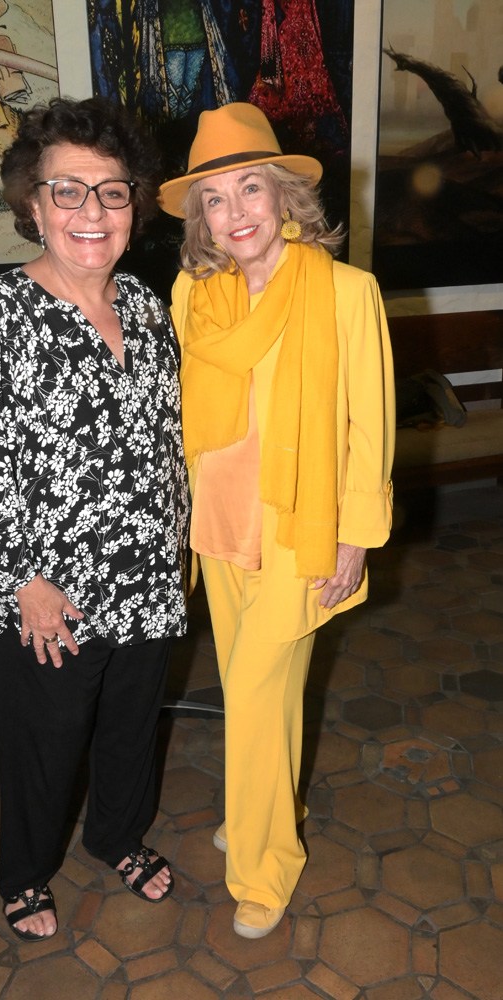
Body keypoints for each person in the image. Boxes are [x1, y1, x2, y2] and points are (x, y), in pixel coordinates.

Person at [0, 96, 190, 941]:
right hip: (55, 592)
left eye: (112, 192)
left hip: (149, 575)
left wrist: (179, 543)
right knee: (45, 740)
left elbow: (169, 443)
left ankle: (117, 835)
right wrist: (23, 585)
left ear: (135, 204)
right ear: (33, 205)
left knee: (130, 726)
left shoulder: (150, 312)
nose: (92, 212)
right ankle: (25, 872)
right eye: (68, 191)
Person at [159, 102, 395, 939]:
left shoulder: (344, 291)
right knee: (261, 696)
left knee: (256, 698)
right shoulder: (194, 294)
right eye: (214, 200)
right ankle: (255, 805)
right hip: (216, 530)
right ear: (200, 220)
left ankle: (264, 864)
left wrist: (354, 536)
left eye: (249, 187)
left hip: (301, 530)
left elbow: (368, 424)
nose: (235, 213)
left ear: (285, 196)